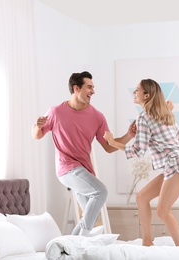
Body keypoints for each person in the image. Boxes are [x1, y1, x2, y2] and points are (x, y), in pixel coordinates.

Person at [31, 71, 136, 236]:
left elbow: (109, 147)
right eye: (89, 87)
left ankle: (69, 247)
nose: (93, 91)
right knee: (100, 192)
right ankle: (82, 240)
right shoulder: (55, 112)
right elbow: (36, 135)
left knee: (91, 217)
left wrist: (129, 135)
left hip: (84, 171)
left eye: (93, 87)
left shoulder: (97, 117)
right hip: (66, 168)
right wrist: (37, 126)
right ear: (76, 88)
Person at [104, 78, 179, 246]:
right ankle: (147, 241)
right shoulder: (164, 113)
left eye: (137, 90)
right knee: (142, 197)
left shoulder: (143, 117)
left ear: (146, 95)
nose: (134, 92)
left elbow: (138, 150)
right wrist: (170, 113)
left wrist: (114, 143)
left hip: (176, 163)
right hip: (178, 163)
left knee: (162, 210)